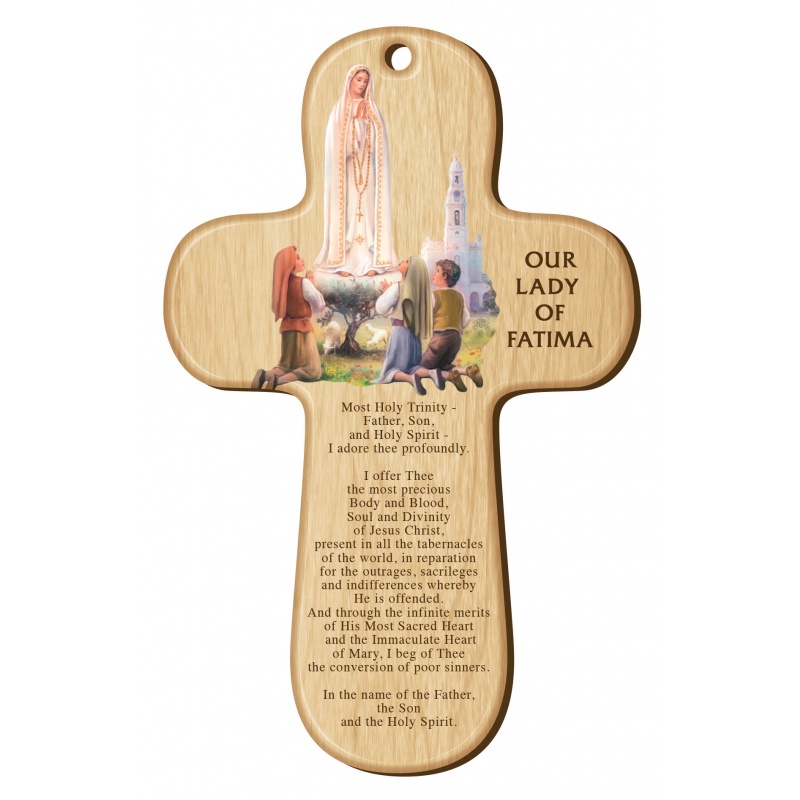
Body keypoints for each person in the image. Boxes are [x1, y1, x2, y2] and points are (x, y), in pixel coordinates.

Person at [313, 65, 397, 277]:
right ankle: (345, 263)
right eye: (358, 79)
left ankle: (370, 262)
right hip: (348, 173)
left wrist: (367, 123)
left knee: (368, 211)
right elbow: (338, 147)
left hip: (367, 171)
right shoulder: (339, 109)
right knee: (349, 212)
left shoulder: (372, 108)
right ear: (349, 80)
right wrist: (356, 123)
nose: (362, 84)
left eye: (365, 81)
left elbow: (379, 144)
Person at [251, 246, 326, 390]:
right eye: (297, 258)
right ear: (290, 264)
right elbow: (319, 306)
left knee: (286, 366)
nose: (302, 259)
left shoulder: (282, 287)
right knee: (312, 370)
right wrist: (313, 286)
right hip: (303, 331)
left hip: (287, 331)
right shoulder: (304, 283)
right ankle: (277, 381)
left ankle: (265, 375)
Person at [414, 259, 483, 391]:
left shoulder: (434, 296)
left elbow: (425, 317)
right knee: (444, 364)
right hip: (456, 338)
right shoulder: (459, 296)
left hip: (440, 338)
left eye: (437, 271)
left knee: (421, 367)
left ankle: (449, 377)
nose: (433, 274)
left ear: (445, 276)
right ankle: (466, 371)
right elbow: (466, 319)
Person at [372, 257, 431, 394]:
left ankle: (410, 379)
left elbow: (381, 308)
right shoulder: (421, 290)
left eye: (407, 261)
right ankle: (432, 373)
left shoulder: (397, 287)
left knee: (391, 370)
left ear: (411, 269)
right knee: (414, 366)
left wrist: (387, 292)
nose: (403, 260)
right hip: (414, 335)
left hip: (399, 333)